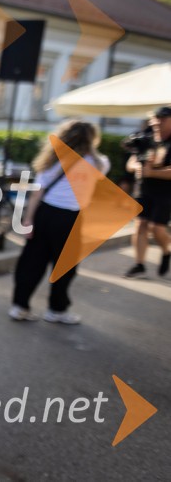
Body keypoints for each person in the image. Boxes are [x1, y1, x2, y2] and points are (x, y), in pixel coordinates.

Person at [10, 120, 109, 324]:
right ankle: (57, 309)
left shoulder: (52, 160)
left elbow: (38, 192)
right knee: (65, 267)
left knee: (32, 262)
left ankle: (20, 307)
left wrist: (28, 220)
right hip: (71, 218)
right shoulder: (99, 163)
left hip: (45, 213)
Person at [123, 106, 171, 278]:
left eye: (163, 119)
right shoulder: (145, 139)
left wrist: (152, 172)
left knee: (157, 229)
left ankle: (166, 251)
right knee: (140, 225)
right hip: (144, 190)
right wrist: (138, 167)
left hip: (166, 193)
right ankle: (139, 264)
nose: (158, 122)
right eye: (156, 118)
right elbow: (130, 164)